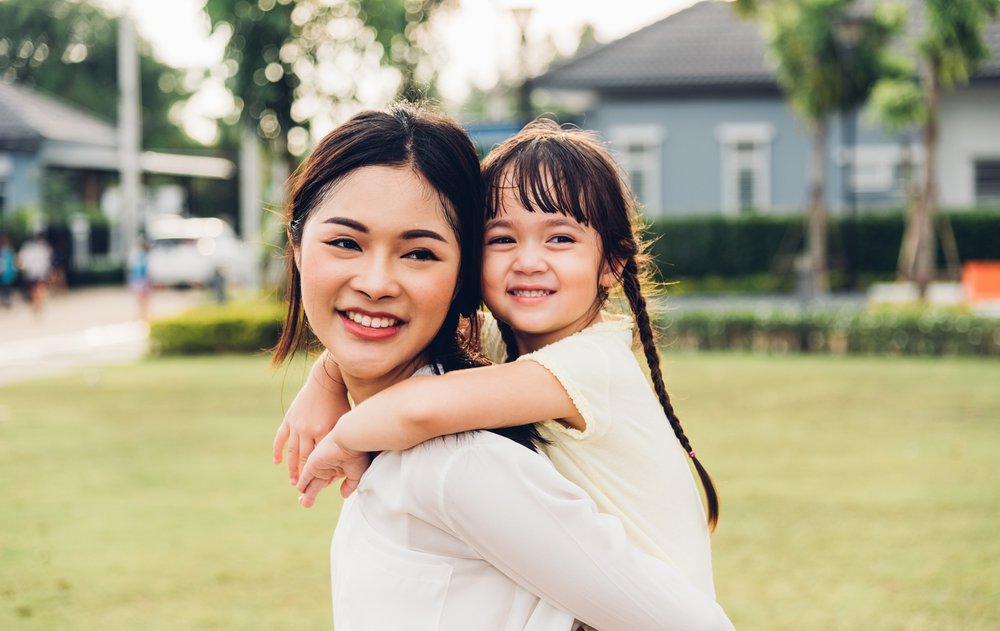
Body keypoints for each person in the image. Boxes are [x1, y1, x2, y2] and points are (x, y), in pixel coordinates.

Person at [272, 103, 733, 630]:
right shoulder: (510, 353)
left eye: (419, 252)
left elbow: (421, 410)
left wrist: (345, 437)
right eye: (503, 239)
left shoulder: (579, 370)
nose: (529, 260)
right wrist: (326, 377)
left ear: (612, 262)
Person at [17, 232, 53, 317]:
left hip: (31, 272)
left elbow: (21, 259)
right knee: (39, 289)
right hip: (40, 272)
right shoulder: (44, 247)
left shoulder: (27, 246)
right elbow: (47, 260)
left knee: (34, 290)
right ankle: (38, 304)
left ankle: (36, 304)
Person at [128, 237, 152, 321]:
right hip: (143, 281)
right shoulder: (144, 256)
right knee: (144, 300)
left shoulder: (136, 256)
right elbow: (147, 271)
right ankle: (143, 316)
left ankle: (141, 316)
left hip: (137, 281)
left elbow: (132, 270)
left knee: (140, 300)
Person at [0, 233, 15, 308]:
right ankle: (7, 300)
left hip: (4, 273)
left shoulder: (4, 252)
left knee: (5, 288)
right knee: (7, 288)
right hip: (9, 273)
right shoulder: (10, 251)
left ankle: (6, 300)